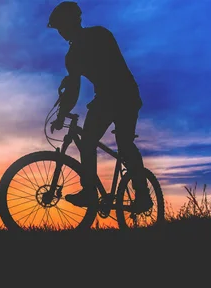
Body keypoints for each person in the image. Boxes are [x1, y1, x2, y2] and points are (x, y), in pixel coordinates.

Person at [47, 1, 153, 212]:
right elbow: (74, 89)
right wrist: (62, 112)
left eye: (62, 27)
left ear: (73, 22)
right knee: (88, 143)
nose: (61, 32)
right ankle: (89, 192)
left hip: (124, 96)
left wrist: (69, 91)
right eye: (58, 29)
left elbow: (106, 68)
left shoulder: (98, 36)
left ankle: (142, 195)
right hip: (105, 98)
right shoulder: (73, 55)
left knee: (122, 144)